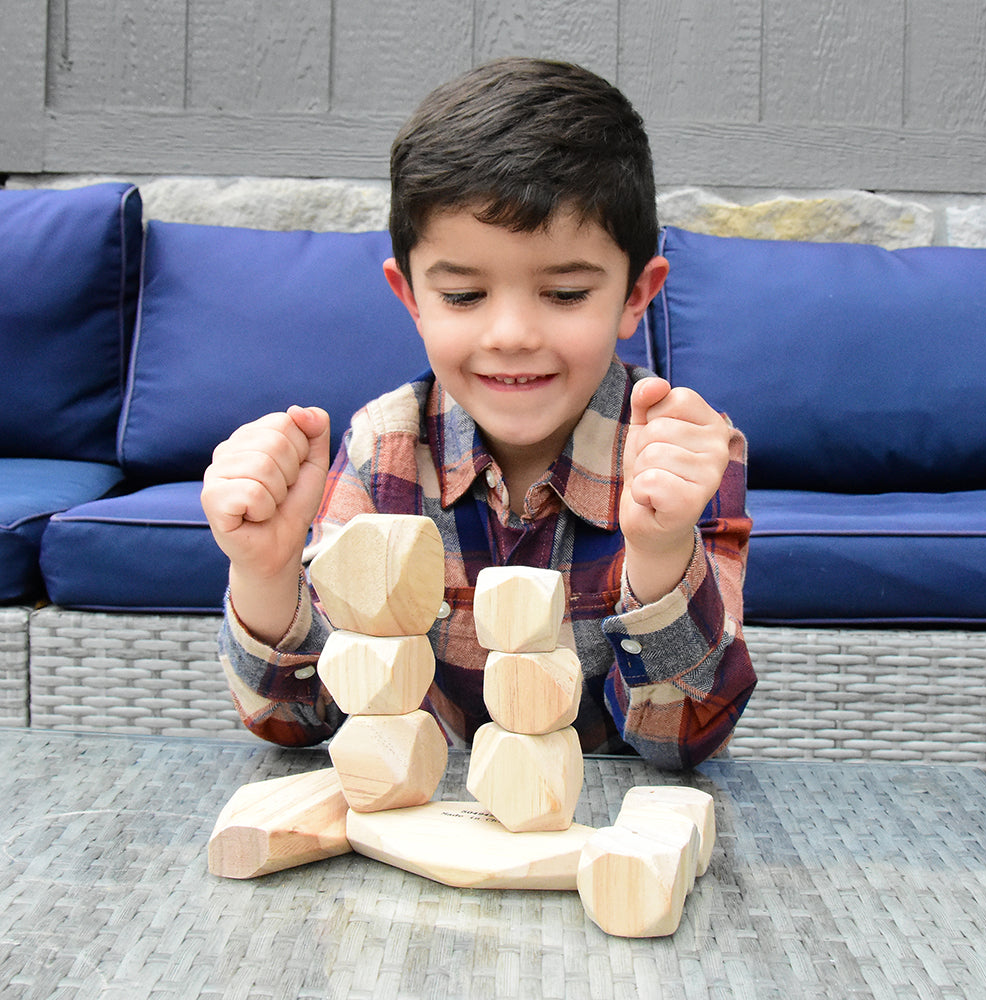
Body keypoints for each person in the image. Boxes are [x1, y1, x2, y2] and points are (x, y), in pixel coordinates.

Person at [200, 57, 756, 769]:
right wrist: (266, 575)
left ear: (635, 296)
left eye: (564, 294)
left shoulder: (683, 455)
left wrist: (660, 552)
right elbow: (301, 721)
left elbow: (685, 742)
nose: (511, 334)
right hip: (444, 821)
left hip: (610, 827)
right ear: (412, 299)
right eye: (464, 296)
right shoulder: (384, 449)